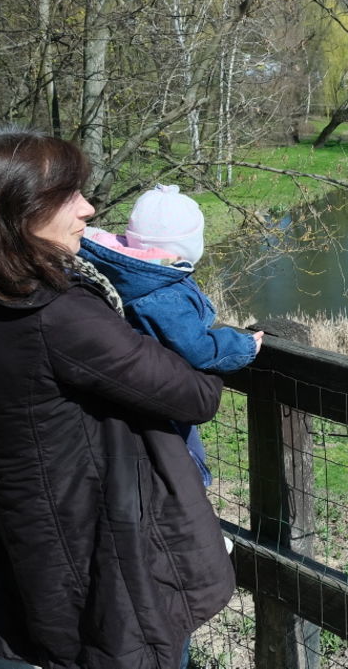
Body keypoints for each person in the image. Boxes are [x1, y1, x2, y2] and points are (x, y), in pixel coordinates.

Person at [0, 127, 234, 669]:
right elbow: (195, 395)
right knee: (131, 646)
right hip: (104, 536)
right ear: (18, 209)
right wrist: (198, 340)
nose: (87, 208)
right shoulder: (55, 313)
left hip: (34, 517)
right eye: (67, 195)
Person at [78, 184, 262, 488]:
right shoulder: (162, 294)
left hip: (133, 386)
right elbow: (196, 347)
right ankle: (193, 511)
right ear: (188, 245)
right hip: (165, 389)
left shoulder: (120, 268)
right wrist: (242, 346)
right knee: (184, 462)